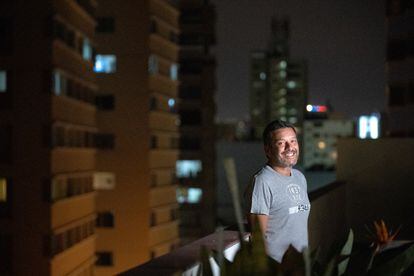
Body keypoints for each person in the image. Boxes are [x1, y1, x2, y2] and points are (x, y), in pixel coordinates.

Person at [245, 119, 310, 262]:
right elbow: (258, 237)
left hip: (299, 266)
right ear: (268, 150)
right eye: (281, 143)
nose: (290, 147)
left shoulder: (300, 178)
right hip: (277, 268)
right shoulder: (262, 181)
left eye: (293, 141)